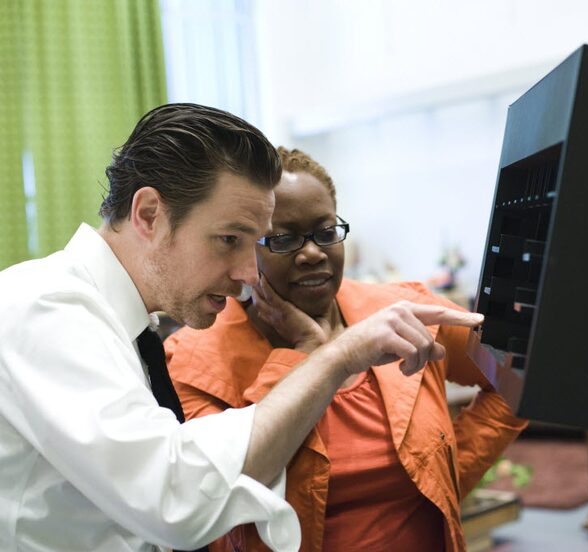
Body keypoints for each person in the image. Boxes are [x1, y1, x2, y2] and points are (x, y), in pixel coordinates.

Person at [0, 104, 483, 552]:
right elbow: (178, 500)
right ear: (148, 214)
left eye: (253, 244)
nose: (249, 273)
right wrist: (335, 356)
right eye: (228, 239)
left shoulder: (122, 324)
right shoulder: (46, 308)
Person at [166, 147, 528, 552]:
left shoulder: (401, 310)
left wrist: (443, 476)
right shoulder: (190, 361)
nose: (312, 253)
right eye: (283, 239)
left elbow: (516, 374)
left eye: (325, 233)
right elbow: (217, 496)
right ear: (241, 248)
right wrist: (306, 351)